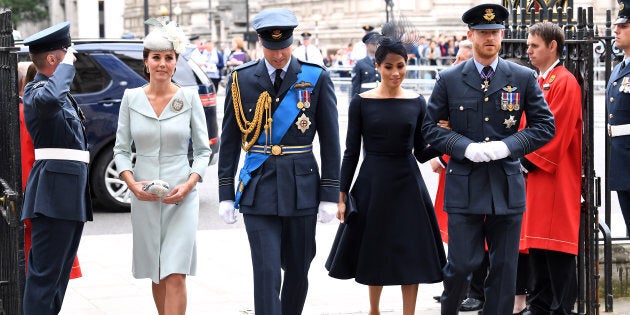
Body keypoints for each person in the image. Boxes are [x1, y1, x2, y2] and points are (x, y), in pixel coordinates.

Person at [421, 4, 555, 314]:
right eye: (482, 33)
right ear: (470, 35)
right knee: (460, 265)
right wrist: (463, 146)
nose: (489, 38)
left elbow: (545, 126)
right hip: (464, 182)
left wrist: (508, 146)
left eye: (494, 32)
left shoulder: (521, 77)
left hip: (504, 185)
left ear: (503, 35)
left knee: (505, 268)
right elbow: (429, 127)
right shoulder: (450, 78)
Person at [217, 8, 340, 315]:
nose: (279, 55)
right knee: (267, 271)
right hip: (258, 187)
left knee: (298, 269)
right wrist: (224, 194)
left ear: (293, 42)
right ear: (260, 43)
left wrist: (329, 194)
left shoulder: (315, 77)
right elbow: (230, 142)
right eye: (272, 49)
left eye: (284, 47)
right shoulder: (241, 79)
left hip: (302, 188)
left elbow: (332, 142)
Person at [325, 35, 446, 315]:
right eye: (389, 66)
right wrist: (342, 197)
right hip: (373, 182)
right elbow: (351, 152)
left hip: (407, 182)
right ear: (377, 66)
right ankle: (374, 310)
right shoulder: (361, 102)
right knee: (374, 245)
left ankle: (409, 312)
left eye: (401, 66)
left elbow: (420, 151)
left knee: (411, 248)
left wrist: (443, 139)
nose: (396, 72)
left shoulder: (417, 102)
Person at [113, 18, 211, 315]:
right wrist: (131, 185)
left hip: (181, 194)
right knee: (156, 270)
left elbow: (204, 151)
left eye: (169, 58)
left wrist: (190, 184)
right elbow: (120, 150)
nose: (162, 64)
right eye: (156, 57)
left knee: (175, 272)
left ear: (176, 62)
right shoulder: (130, 99)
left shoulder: (189, 98)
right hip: (144, 195)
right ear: (146, 62)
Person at [21, 21, 92, 315]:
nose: (70, 58)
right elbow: (50, 100)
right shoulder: (37, 91)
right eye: (65, 53)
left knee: (58, 278)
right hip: (53, 197)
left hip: (68, 194)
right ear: (53, 60)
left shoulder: (55, 93)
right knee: (44, 279)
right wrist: (67, 68)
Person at [519, 21, 583, 315]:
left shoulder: (565, 81)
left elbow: (554, 131)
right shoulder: (538, 80)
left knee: (556, 247)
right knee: (537, 245)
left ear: (552, 46)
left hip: (553, 173)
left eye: (534, 46)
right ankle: (540, 304)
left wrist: (522, 158)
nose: (528, 51)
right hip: (535, 175)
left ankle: (562, 308)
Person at [429, 37, 487, 313]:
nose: (455, 65)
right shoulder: (450, 83)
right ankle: (455, 289)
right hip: (455, 167)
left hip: (475, 167)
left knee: (477, 237)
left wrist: (444, 152)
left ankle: (472, 290)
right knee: (457, 234)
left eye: (461, 60)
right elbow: (437, 125)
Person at [18, 61, 83, 286]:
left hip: (50, 191)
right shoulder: (37, 106)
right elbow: (28, 156)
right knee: (43, 276)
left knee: (50, 275)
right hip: (45, 193)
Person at [607, 0, 630, 238]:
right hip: (622, 159)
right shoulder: (619, 68)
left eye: (624, 25)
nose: (616, 30)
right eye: (616, 25)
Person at [350, 31, 380, 97]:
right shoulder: (360, 64)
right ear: (367, 45)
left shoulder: (384, 62)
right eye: (373, 43)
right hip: (366, 98)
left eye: (378, 43)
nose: (376, 45)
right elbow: (355, 86)